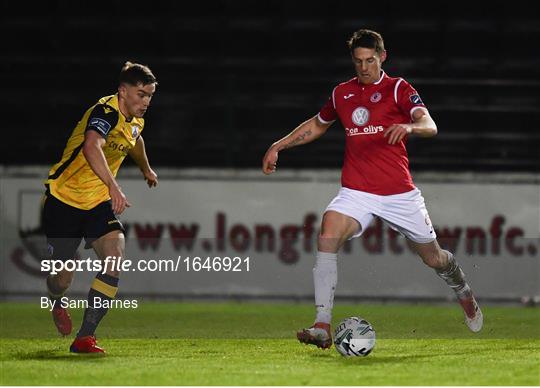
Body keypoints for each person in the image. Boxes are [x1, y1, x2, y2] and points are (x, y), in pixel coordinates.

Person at [262, 29, 483, 349]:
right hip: (357, 191)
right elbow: (317, 124)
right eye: (358, 61)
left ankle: (462, 290)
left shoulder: (398, 89)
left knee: (434, 258)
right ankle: (322, 325)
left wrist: (409, 126)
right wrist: (278, 146)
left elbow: (429, 125)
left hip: (398, 193)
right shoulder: (342, 93)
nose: (364, 67)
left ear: (382, 57)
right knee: (328, 231)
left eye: (370, 60)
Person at [43, 62, 159, 353]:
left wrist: (146, 168)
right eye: (141, 94)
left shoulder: (135, 119)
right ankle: (57, 300)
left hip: (96, 203)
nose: (145, 102)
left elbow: (134, 139)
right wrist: (114, 186)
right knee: (62, 280)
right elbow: (91, 146)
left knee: (115, 256)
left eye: (150, 96)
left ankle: (85, 337)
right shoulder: (105, 111)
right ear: (122, 91)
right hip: (63, 199)